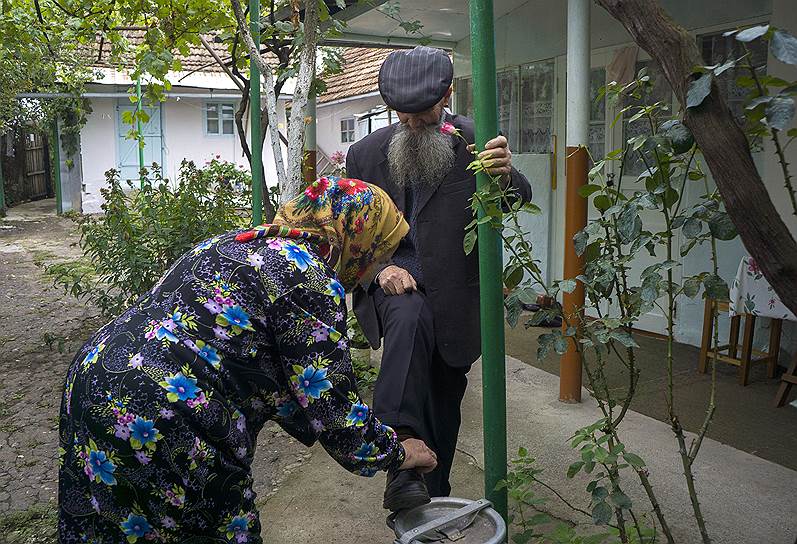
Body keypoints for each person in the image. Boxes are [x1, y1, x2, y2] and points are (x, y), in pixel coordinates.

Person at [57, 178, 438, 543]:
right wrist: (398, 451)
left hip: (94, 377)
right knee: (211, 530)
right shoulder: (309, 278)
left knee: (113, 524)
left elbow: (275, 376)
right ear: (357, 236)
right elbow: (333, 412)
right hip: (167, 412)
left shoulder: (236, 243)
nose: (373, 268)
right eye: (379, 252)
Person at [347, 46, 533, 511]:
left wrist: (505, 177)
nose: (412, 124)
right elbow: (348, 237)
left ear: (447, 95)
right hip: (394, 286)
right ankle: (401, 445)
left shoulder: (476, 140)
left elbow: (515, 202)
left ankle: (428, 495)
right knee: (408, 317)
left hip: (454, 300)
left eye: (423, 115)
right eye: (402, 116)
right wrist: (378, 269)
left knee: (445, 400)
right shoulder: (365, 155)